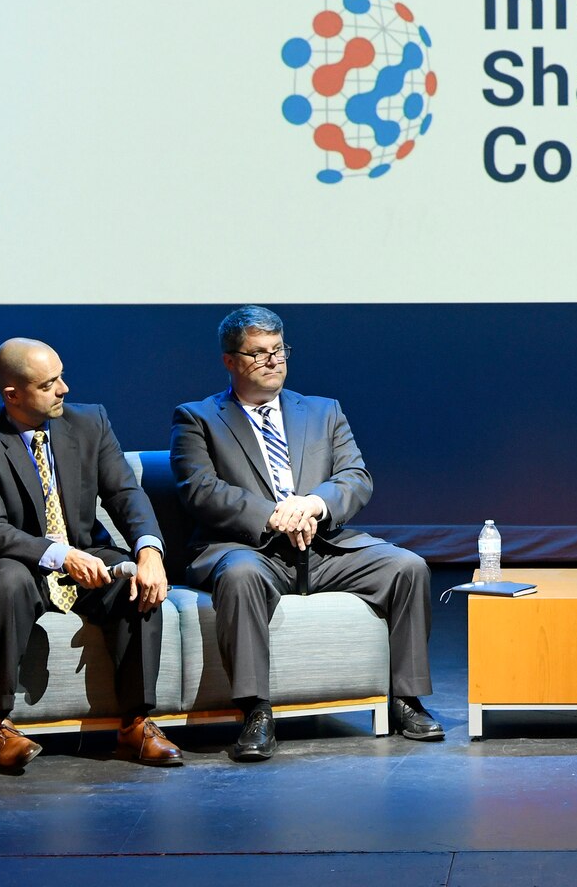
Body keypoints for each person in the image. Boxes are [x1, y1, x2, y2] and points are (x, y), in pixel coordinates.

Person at [171, 305, 441, 757]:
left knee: (406, 567)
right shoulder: (197, 418)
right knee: (240, 577)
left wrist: (312, 504)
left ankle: (405, 699)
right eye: (258, 354)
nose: (273, 361)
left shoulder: (322, 411)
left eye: (278, 350)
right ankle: (256, 711)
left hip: (323, 545)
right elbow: (199, 489)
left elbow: (356, 477)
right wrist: (272, 514)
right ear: (230, 361)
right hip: (250, 548)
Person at [0, 338, 182, 770]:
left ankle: (136, 724)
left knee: (140, 580)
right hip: (18, 559)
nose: (64, 389)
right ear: (12, 395)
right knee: (7, 580)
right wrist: (61, 555)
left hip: (86, 553)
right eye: (49, 383)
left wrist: (150, 550)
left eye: (61, 376)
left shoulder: (90, 422)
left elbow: (125, 494)